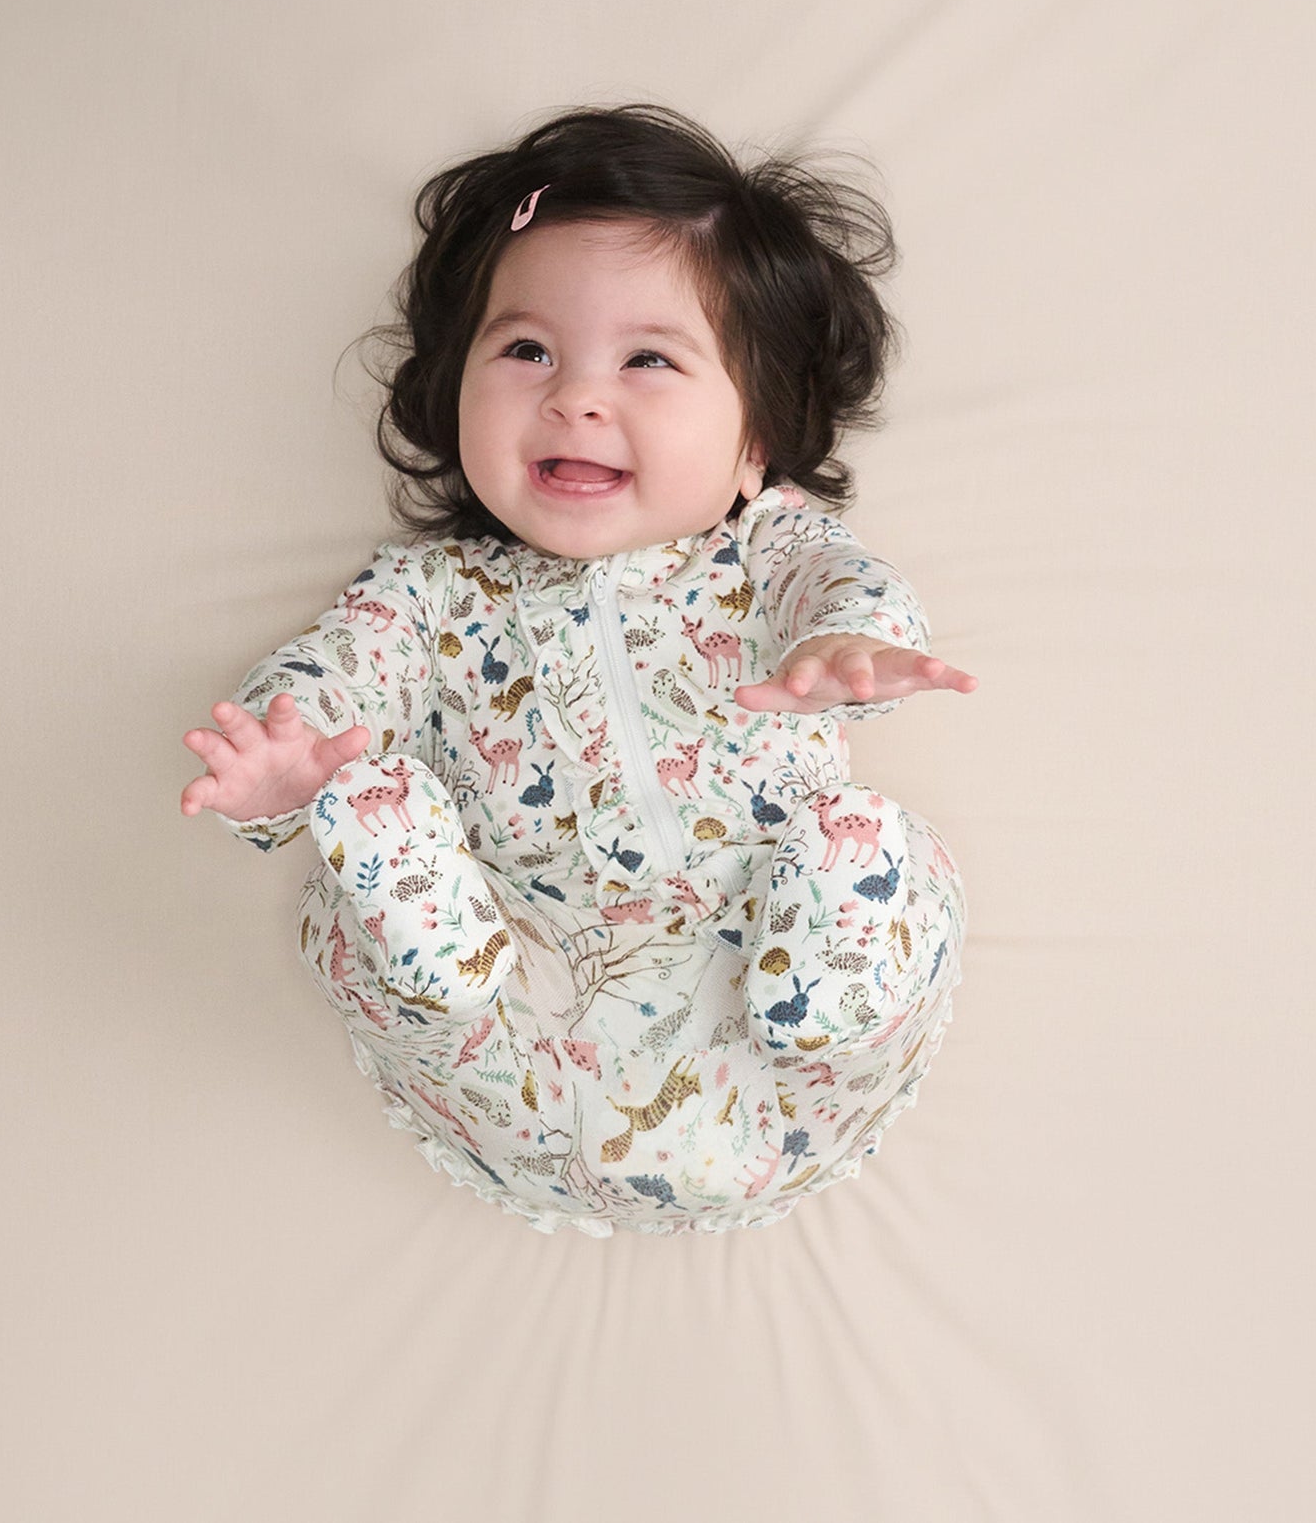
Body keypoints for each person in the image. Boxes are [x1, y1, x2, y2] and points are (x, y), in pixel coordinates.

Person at [179, 104, 978, 1236]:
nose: (575, 396)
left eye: (647, 359)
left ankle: (834, 1001)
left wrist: (842, 645)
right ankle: (431, 941)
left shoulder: (763, 549)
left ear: (755, 441)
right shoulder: (432, 590)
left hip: (769, 1007)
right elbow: (337, 677)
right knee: (377, 837)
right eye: (526, 351)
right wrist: (286, 760)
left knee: (859, 850)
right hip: (529, 1027)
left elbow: (838, 585)